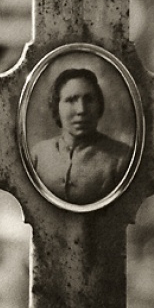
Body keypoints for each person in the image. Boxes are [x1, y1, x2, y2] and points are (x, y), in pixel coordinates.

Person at [31, 68, 131, 205]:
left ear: (99, 105)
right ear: (57, 107)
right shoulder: (38, 155)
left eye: (89, 100)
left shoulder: (122, 159)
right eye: (71, 100)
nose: (81, 110)